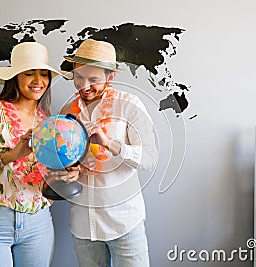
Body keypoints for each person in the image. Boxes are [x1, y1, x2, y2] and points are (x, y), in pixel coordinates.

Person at [0, 42, 78, 267]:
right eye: (29, 73)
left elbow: (42, 180)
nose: (38, 81)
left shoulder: (49, 122)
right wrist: (10, 155)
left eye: (44, 74)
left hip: (38, 224)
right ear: (15, 77)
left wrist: (65, 173)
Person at [61, 39, 159, 267]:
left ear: (110, 77)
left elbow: (150, 158)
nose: (84, 85)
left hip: (124, 222)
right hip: (83, 225)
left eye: (93, 79)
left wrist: (111, 144)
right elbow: (63, 157)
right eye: (79, 77)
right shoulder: (67, 112)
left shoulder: (130, 105)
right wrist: (68, 167)